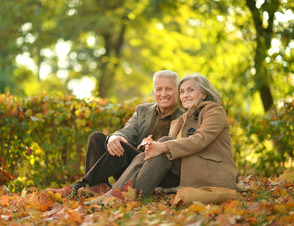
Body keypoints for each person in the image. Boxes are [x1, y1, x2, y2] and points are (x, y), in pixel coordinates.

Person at [86, 73, 239, 204]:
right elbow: (166, 145)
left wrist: (163, 146)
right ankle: (114, 194)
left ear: (204, 93)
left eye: (190, 90)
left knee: (164, 143)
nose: (185, 95)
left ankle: (128, 196)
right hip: (185, 168)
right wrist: (152, 146)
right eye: (182, 92)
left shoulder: (214, 110)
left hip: (211, 174)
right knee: (146, 153)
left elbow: (200, 140)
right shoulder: (185, 118)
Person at [46, 70, 183, 198]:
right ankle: (99, 186)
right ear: (154, 91)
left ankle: (79, 187)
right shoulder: (143, 110)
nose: (163, 93)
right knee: (97, 138)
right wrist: (113, 137)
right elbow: (127, 131)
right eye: (159, 89)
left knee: (122, 149)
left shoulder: (185, 115)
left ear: (177, 91)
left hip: (161, 172)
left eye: (169, 89)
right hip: (133, 168)